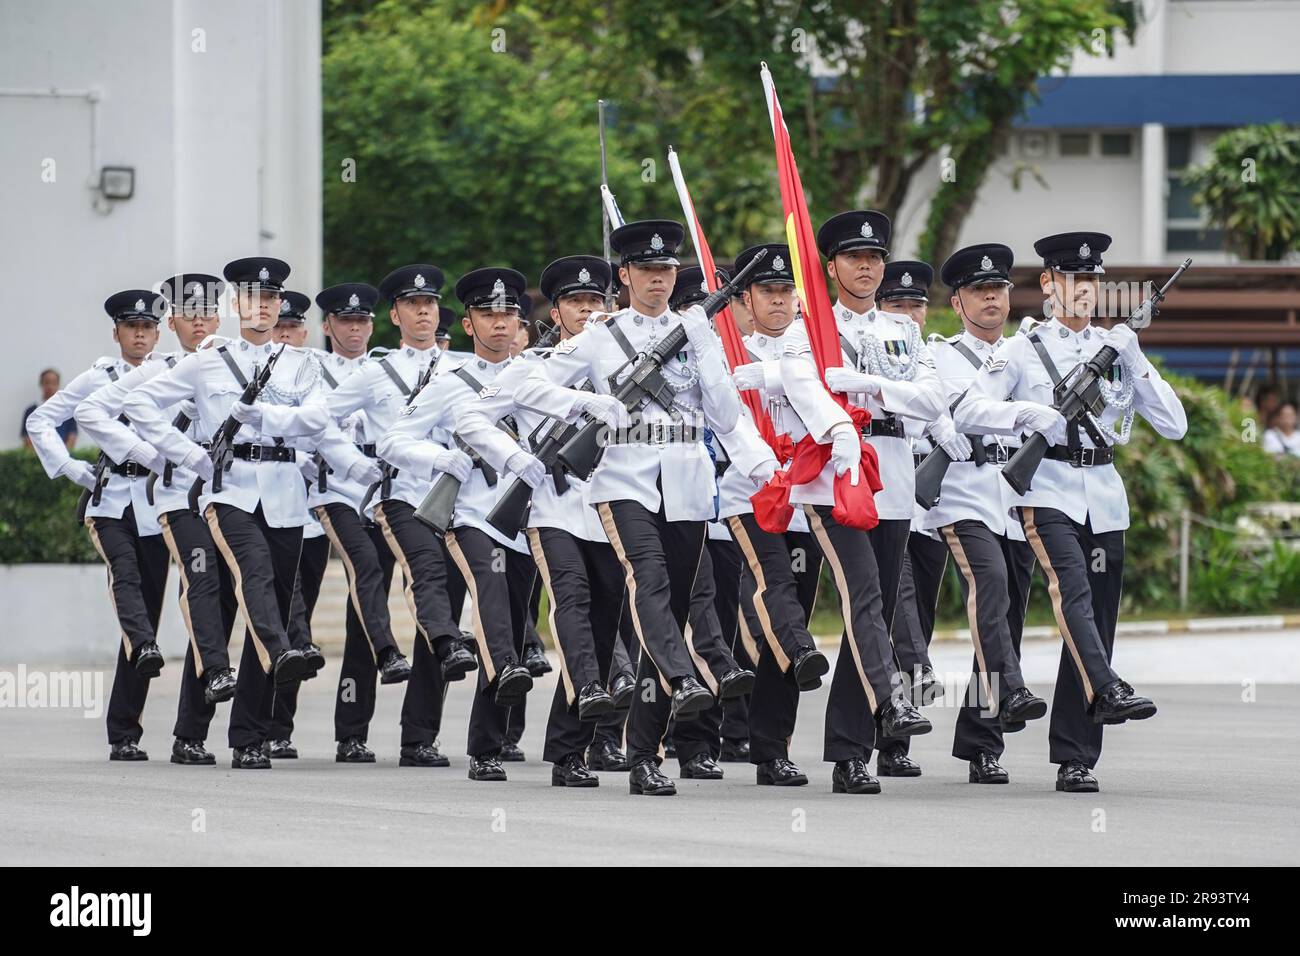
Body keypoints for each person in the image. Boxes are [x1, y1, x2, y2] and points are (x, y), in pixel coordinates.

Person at [510, 219, 769, 796]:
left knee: (666, 614)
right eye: (647, 271)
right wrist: (590, 402)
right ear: (624, 276)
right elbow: (523, 386)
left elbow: (726, 415)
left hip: (687, 484)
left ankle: (644, 755)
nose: (658, 279)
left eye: (667, 270)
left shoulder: (695, 332)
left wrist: (755, 461)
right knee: (648, 582)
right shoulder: (600, 337)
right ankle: (684, 678)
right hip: (622, 481)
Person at [955, 231, 1188, 793]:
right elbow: (967, 410)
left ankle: (1076, 756)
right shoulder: (1020, 349)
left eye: (1091, 280)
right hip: (1044, 491)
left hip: (1104, 495)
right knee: (1068, 594)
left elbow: (1175, 425)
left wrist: (1139, 362)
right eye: (1071, 278)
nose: (1082, 289)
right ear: (1048, 284)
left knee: (1094, 620)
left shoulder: (1117, 347)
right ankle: (1089, 695)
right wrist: (1027, 416)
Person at [122, 256, 341, 769]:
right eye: (251, 298)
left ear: (280, 305)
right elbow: (140, 407)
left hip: (285, 496)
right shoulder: (207, 362)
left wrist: (276, 417)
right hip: (229, 493)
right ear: (236, 305)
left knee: (264, 602)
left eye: (270, 299)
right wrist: (188, 455)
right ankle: (191, 732)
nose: (261, 307)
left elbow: (319, 419)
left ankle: (248, 738)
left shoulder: (303, 364)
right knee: (234, 600)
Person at [454, 254, 629, 787]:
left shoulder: (622, 361)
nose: (587, 311)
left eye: (596, 301)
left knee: (604, 623)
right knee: (554, 610)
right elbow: (469, 417)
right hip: (550, 507)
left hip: (611, 510)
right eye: (577, 303)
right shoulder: (534, 365)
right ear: (556, 311)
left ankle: (570, 750)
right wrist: (514, 457)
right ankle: (488, 744)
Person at [783, 209, 941, 790]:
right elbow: (806, 390)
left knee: (865, 611)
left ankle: (850, 754)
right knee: (866, 595)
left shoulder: (904, 329)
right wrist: (844, 418)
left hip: (894, 475)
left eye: (875, 258)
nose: (868, 267)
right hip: (834, 476)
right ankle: (889, 703)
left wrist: (874, 388)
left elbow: (931, 401)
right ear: (832, 267)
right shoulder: (810, 328)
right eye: (855, 258)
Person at [377, 266, 539, 782]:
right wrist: (439, 459)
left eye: (508, 314)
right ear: (468, 324)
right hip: (466, 514)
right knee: (483, 614)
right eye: (488, 315)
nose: (499, 324)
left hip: (528, 516)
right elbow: (393, 442)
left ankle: (495, 740)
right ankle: (425, 735)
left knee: (509, 622)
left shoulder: (539, 373)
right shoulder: (451, 383)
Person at [75, 273, 238, 766]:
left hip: (224, 500)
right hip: (164, 504)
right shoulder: (159, 369)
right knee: (144, 620)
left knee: (214, 612)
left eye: (207, 314)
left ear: (220, 317)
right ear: (173, 323)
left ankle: (192, 734)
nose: (199, 323)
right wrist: (150, 453)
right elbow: (93, 410)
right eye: (189, 316)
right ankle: (124, 730)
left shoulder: (235, 363)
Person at [324, 263, 476, 767]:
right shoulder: (376, 372)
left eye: (430, 304)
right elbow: (320, 416)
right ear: (395, 315)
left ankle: (419, 738)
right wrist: (354, 464)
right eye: (413, 305)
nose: (423, 312)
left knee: (443, 614)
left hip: (452, 500)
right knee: (366, 618)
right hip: (395, 497)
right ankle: (351, 732)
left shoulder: (463, 368)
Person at [926, 243, 1051, 783]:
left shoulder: (1028, 352)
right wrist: (1025, 409)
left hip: (1015, 494)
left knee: (1007, 613)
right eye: (980, 291)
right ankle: (1013, 689)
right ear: (957, 303)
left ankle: (982, 743)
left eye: (999, 290)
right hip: (963, 491)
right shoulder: (940, 355)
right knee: (991, 585)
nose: (992, 299)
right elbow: (968, 410)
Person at [28, 290, 167, 760]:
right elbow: (43, 421)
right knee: (125, 578)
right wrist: (71, 468)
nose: (141, 334)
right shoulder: (100, 376)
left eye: (148, 327)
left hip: (156, 501)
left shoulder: (170, 371)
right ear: (117, 333)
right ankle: (141, 664)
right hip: (110, 501)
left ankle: (126, 729)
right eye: (132, 327)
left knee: (145, 611)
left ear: (158, 332)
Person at [720, 242, 835, 786]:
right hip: (750, 493)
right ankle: (802, 647)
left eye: (787, 289)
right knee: (774, 590)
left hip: (805, 492)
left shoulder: (814, 349)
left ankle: (772, 750)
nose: (780, 299)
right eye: (768, 290)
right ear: (745, 298)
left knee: (784, 618)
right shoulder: (728, 353)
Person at [21, 369, 76, 449]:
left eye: (54, 383)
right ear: (41, 384)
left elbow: (72, 437)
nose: (50, 386)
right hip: (37, 458)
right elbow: (27, 438)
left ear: (58, 385)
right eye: (47, 382)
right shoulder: (31, 411)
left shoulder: (67, 410)